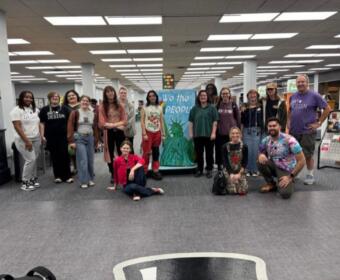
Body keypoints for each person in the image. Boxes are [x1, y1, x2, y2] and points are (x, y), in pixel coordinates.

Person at [288, 74, 331, 185]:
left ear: (307, 83)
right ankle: (295, 173)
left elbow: (327, 109)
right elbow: (290, 110)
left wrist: (319, 123)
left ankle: (310, 175)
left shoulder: (314, 95)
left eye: (303, 82)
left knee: (307, 155)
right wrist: (288, 122)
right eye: (298, 82)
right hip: (294, 131)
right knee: (294, 155)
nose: (300, 84)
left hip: (307, 131)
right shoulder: (293, 96)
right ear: (296, 84)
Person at [258, 117, 306, 199]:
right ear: (267, 127)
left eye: (274, 125)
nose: (272, 128)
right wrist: (261, 155)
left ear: (279, 127)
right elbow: (260, 152)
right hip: (274, 165)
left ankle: (291, 181)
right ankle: (271, 184)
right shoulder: (266, 140)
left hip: (286, 169)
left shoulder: (290, 140)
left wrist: (291, 176)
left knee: (285, 194)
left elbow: (302, 160)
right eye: (270, 126)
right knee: (259, 161)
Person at [10, 90, 43, 191]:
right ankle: (25, 182)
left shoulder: (35, 110)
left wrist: (41, 136)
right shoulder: (16, 110)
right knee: (30, 159)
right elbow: (17, 127)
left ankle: (32, 178)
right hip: (23, 139)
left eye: (30, 97)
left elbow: (39, 123)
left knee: (34, 159)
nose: (28, 99)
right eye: (26, 97)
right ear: (21, 98)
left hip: (36, 137)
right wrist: (27, 141)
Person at [39, 91, 73, 184]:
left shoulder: (65, 109)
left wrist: (71, 135)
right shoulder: (44, 110)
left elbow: (70, 123)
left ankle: (67, 176)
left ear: (59, 98)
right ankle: (57, 176)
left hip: (63, 136)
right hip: (51, 137)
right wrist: (42, 135)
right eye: (53, 97)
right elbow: (42, 123)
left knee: (65, 156)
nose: (55, 98)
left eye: (57, 96)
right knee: (55, 156)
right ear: (49, 98)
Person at [67, 95, 98, 189]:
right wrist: (71, 141)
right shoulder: (75, 112)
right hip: (79, 138)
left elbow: (95, 128)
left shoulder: (93, 114)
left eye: (87, 101)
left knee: (90, 161)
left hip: (90, 138)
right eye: (83, 101)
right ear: (80, 102)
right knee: (82, 160)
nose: (85, 102)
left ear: (89, 103)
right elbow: (70, 126)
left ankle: (90, 179)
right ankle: (84, 181)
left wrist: (96, 140)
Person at [98, 86, 127, 181]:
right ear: (105, 94)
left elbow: (125, 120)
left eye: (112, 91)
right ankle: (113, 174)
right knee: (109, 153)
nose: (110, 93)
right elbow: (102, 123)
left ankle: (122, 171)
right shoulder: (102, 106)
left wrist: (113, 125)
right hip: (108, 132)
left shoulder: (120, 105)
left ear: (114, 93)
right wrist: (117, 125)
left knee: (122, 152)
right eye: (108, 92)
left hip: (119, 132)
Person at [189, 89, 218, 178]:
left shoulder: (212, 107)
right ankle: (200, 169)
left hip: (209, 135)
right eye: (201, 96)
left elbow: (215, 122)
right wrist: (191, 133)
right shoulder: (194, 108)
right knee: (199, 153)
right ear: (199, 97)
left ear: (207, 97)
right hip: (197, 135)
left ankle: (209, 169)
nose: (203, 97)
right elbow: (191, 122)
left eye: (204, 95)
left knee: (209, 153)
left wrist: (213, 133)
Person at [141, 90, 165, 180]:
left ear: (156, 97)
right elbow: (142, 122)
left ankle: (155, 170)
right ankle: (144, 170)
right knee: (146, 153)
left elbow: (161, 121)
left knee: (156, 152)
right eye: (150, 96)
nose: (152, 97)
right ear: (148, 98)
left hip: (157, 132)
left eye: (153, 96)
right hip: (148, 132)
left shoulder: (159, 107)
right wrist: (144, 133)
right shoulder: (144, 108)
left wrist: (163, 134)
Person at [216, 87, 240, 170]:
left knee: (231, 150)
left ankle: (231, 165)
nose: (225, 95)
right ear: (221, 95)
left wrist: (238, 130)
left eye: (226, 93)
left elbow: (238, 117)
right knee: (220, 149)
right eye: (223, 93)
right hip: (220, 132)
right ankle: (220, 165)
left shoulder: (233, 104)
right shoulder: (218, 104)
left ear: (229, 94)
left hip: (231, 133)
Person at [241, 89, 264, 176]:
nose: (252, 97)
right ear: (248, 97)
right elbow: (242, 121)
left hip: (257, 131)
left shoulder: (261, 107)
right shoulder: (244, 108)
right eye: (250, 95)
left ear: (257, 96)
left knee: (255, 151)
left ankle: (255, 169)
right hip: (246, 131)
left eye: (254, 95)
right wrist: (241, 132)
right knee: (247, 151)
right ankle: (247, 169)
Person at [222, 127, 248, 195]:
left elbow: (245, 162)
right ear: (230, 135)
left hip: (240, 170)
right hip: (229, 170)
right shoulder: (225, 146)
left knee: (243, 191)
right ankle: (230, 182)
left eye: (237, 133)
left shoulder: (244, 146)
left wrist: (239, 174)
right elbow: (225, 162)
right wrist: (231, 174)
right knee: (232, 191)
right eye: (233, 133)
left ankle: (238, 182)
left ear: (240, 134)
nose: (235, 135)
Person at [63, 89, 80, 173]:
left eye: (73, 95)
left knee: (81, 151)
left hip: (81, 131)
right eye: (69, 96)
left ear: (77, 96)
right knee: (71, 151)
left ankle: (83, 167)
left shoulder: (82, 105)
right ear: (66, 98)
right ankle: (75, 167)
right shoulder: (64, 107)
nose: (71, 97)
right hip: (69, 132)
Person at [118, 86, 136, 152]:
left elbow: (132, 118)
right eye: (121, 93)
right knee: (120, 148)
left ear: (126, 94)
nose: (123, 94)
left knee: (130, 148)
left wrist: (125, 127)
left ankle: (131, 162)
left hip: (129, 130)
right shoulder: (115, 105)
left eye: (125, 93)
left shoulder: (130, 105)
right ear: (118, 94)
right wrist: (118, 126)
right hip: (118, 130)